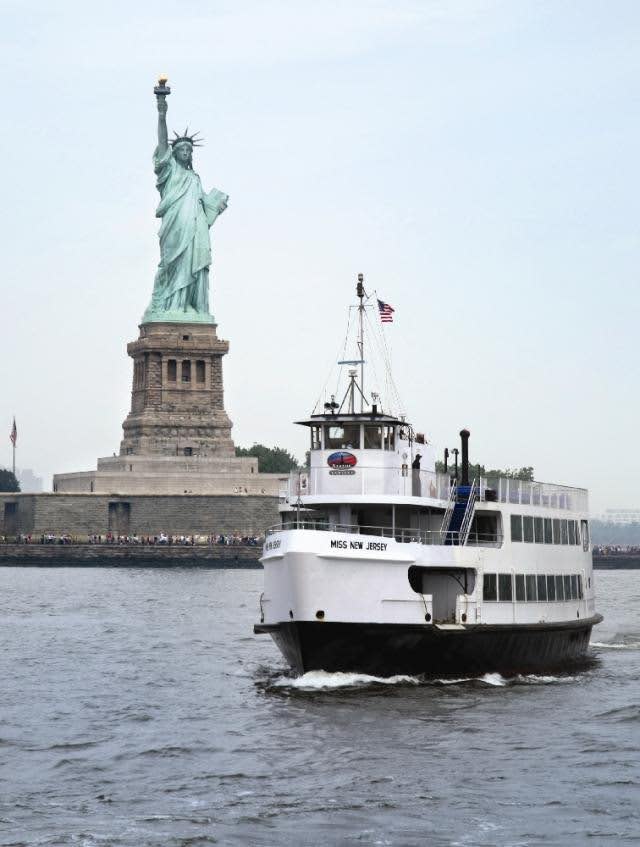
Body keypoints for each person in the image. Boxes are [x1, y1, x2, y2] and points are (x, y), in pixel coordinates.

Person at [143, 91, 228, 319]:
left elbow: (203, 206)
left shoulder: (195, 178)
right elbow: (162, 144)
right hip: (176, 223)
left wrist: (215, 206)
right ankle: (171, 303)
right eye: (182, 149)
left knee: (193, 261)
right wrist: (162, 112)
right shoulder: (169, 170)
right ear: (175, 152)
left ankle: (187, 305)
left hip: (196, 226)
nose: (186, 152)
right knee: (173, 262)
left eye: (189, 150)